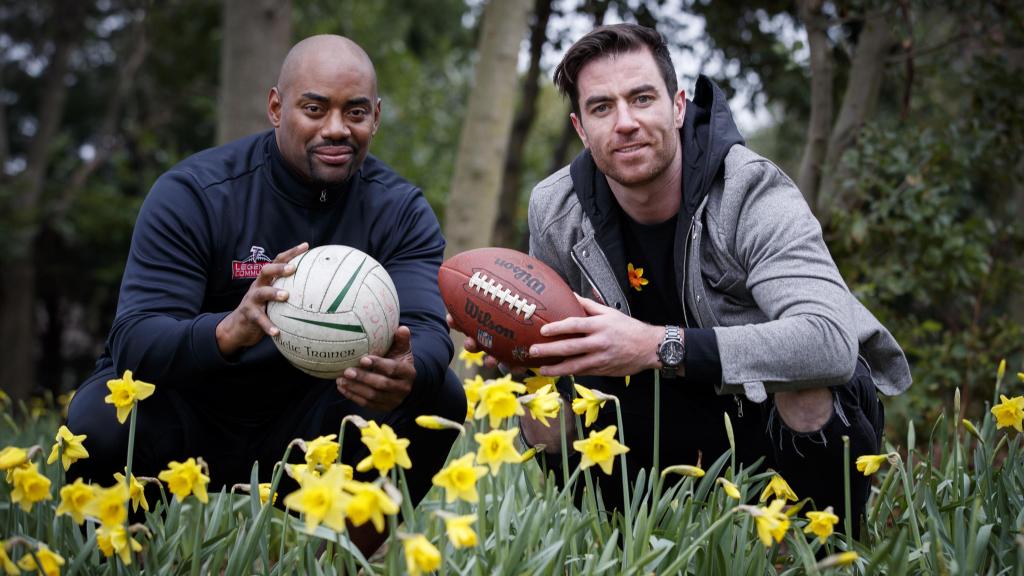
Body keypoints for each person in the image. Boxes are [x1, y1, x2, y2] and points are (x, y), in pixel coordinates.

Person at [67, 35, 466, 551]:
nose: (336, 129)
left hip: (313, 422)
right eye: (314, 108)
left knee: (439, 396)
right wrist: (228, 330)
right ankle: (116, 556)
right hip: (194, 414)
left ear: (377, 117)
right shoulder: (195, 193)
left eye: (356, 112)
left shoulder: (401, 210)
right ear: (276, 107)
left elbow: (428, 330)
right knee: (99, 415)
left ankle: (348, 557)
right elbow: (135, 339)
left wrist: (406, 371)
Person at [509, 24, 911, 531]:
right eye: (602, 107)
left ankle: (821, 550)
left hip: (761, 412)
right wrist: (511, 343)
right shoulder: (555, 208)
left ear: (678, 107)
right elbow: (554, 345)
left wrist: (662, 345)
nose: (626, 122)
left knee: (810, 386)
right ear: (581, 128)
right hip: (652, 415)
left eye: (642, 98)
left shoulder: (751, 190)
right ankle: (630, 546)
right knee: (544, 409)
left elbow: (829, 341)